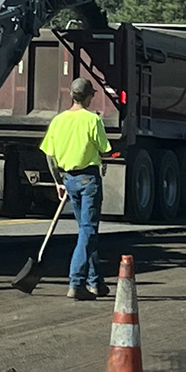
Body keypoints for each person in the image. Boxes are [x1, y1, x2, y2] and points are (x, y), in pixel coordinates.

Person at [41, 78, 112, 301]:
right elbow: (105, 149)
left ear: (72, 96)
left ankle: (95, 281)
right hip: (88, 179)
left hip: (69, 179)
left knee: (85, 231)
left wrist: (57, 181)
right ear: (89, 96)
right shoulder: (92, 120)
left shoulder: (58, 121)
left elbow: (49, 155)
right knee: (89, 231)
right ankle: (76, 281)